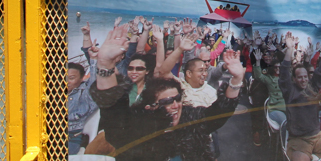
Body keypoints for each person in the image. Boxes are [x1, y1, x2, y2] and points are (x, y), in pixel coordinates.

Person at [91, 26, 244, 161]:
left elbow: (218, 113)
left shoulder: (189, 120)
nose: (175, 105)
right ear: (151, 107)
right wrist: (105, 64)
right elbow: (112, 108)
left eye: (177, 99)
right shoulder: (136, 128)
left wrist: (236, 79)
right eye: (166, 102)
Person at [279, 30, 321, 161]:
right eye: (300, 77)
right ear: (295, 79)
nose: (303, 80)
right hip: (299, 140)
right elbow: (284, 72)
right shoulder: (289, 91)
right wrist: (290, 49)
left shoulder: (312, 87)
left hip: (317, 136)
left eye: (305, 77)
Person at [66, 60, 98, 156]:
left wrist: (93, 61)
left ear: (81, 79)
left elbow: (95, 82)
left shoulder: (84, 94)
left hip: (72, 136)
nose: (66, 81)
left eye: (71, 78)